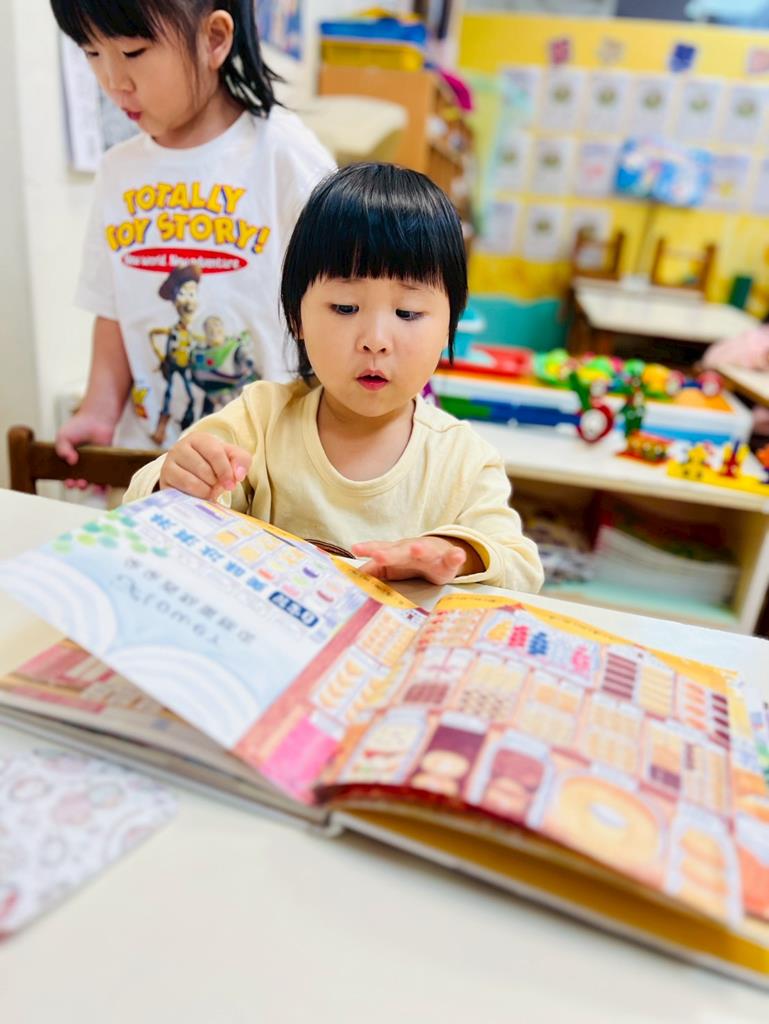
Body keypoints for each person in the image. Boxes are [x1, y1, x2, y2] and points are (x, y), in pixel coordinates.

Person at [125, 164, 543, 590]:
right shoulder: (260, 419)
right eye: (345, 307)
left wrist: (458, 554)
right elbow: (141, 503)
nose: (375, 340)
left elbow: (522, 569)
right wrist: (177, 479)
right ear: (297, 316)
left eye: (408, 313)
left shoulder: (463, 460)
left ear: (449, 324)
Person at [51, 0, 335, 463]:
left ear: (214, 39)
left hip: (263, 463)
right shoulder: (119, 170)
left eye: (133, 52)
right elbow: (112, 308)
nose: (113, 81)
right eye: (92, 52)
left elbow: (341, 303)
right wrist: (99, 409)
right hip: (154, 464)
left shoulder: (286, 155)